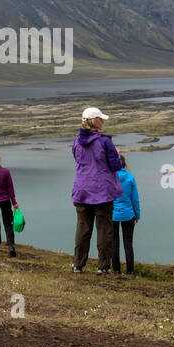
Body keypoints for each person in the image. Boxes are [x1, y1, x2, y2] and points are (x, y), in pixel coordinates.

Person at [70, 106, 123, 275]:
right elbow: (116, 165)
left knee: (83, 229)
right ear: (96, 122)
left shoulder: (76, 141)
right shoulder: (104, 141)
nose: (103, 122)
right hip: (102, 192)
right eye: (101, 119)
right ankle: (103, 266)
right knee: (105, 230)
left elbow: (77, 159)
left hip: (82, 190)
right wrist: (116, 153)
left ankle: (78, 264)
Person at [111, 157, 141, 275]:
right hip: (128, 214)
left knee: (114, 243)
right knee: (128, 244)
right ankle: (130, 271)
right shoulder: (130, 177)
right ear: (124, 164)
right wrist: (137, 215)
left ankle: (116, 270)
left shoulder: (109, 177)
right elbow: (135, 199)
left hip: (113, 215)